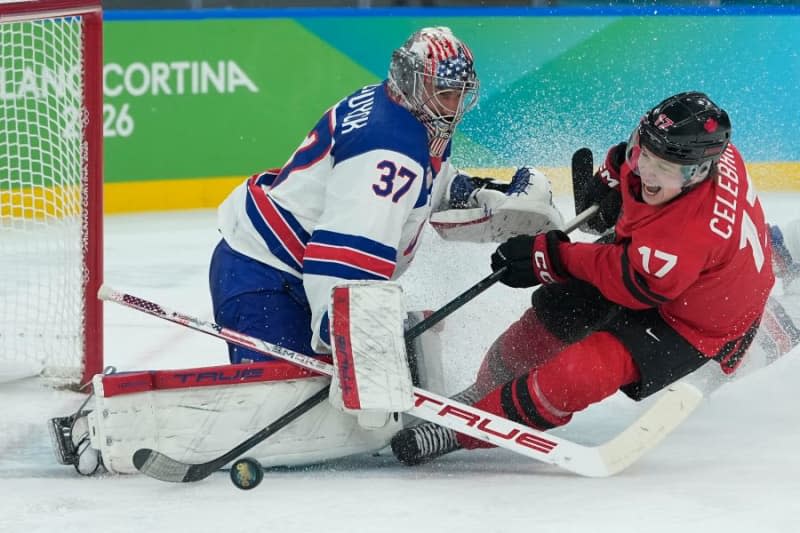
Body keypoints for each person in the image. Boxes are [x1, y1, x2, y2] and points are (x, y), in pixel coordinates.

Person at [49, 26, 565, 476]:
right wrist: (348, 346)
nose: (454, 105)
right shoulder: (390, 145)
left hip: (282, 268)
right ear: (415, 82)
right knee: (278, 407)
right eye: (445, 91)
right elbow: (344, 253)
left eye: (458, 92)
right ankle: (107, 422)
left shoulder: (405, 114)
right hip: (264, 277)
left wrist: (484, 197)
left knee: (319, 393)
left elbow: (425, 187)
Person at [391, 91, 778, 465]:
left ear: (699, 172)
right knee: (554, 315)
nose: (649, 175)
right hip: (679, 273)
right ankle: (482, 391)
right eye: (643, 156)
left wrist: (550, 257)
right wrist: (610, 178)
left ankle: (456, 432)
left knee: (581, 373)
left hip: (693, 323)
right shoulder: (683, 153)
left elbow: (631, 282)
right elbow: (634, 158)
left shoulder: (688, 232)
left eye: (665, 170)